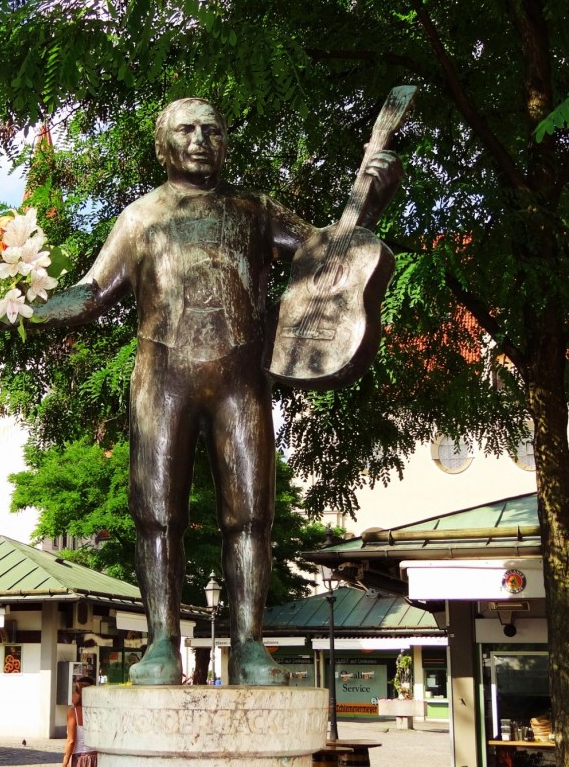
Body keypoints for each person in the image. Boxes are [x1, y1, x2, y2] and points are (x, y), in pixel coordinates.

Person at [26, 97, 402, 686]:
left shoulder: (253, 208)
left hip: (241, 379)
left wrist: (371, 198)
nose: (201, 139)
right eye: (187, 130)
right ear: (162, 145)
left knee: (252, 513)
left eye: (212, 130)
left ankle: (250, 645)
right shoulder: (141, 217)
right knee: (155, 514)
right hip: (161, 377)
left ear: (225, 142)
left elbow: (328, 254)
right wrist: (21, 309)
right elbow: (92, 292)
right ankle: (160, 643)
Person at [62, 677, 97, 767]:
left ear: (81, 694)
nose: (72, 696)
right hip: (95, 758)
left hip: (80, 758)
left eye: (75, 693)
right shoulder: (97, 710)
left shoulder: (73, 712)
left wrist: (65, 761)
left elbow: (71, 741)